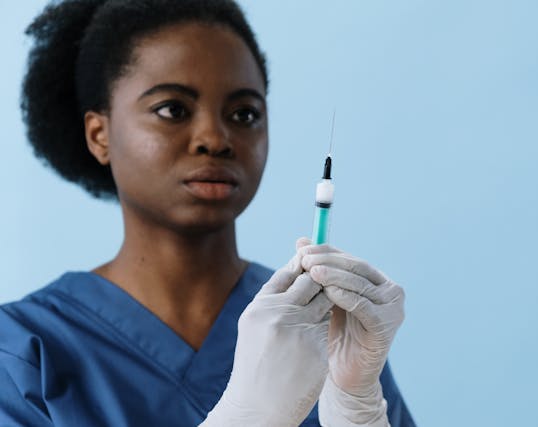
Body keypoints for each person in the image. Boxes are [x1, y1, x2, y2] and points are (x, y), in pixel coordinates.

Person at [0, 0, 416, 426]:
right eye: (173, 109)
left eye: (244, 114)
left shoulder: (327, 333)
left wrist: (359, 413)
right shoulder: (22, 352)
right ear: (99, 134)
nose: (215, 138)